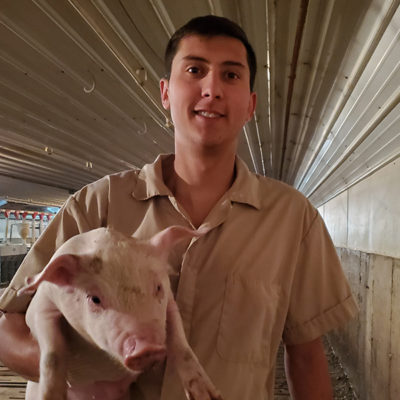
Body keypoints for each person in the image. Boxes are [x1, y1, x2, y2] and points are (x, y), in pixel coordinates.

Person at [0, 15, 358, 400]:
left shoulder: (293, 219)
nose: (212, 89)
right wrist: (79, 366)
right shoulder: (96, 205)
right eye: (194, 70)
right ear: (166, 93)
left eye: (231, 76)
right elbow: (9, 326)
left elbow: (305, 357)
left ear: (251, 104)